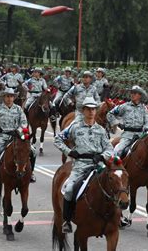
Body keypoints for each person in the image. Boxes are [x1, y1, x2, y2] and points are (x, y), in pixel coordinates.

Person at [54, 97, 114, 233]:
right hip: (80, 165)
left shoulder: (101, 130)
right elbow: (58, 139)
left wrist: (102, 156)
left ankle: (117, 216)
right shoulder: (74, 126)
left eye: (93, 109)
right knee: (69, 190)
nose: (91, 112)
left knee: (116, 184)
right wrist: (69, 151)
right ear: (83, 110)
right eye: (88, 109)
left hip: (98, 165)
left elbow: (110, 149)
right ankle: (67, 221)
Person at [0, 88, 36, 183]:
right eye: (7, 96)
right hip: (2, 136)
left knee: (33, 151)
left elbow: (24, 122)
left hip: (17, 136)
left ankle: (31, 173)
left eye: (11, 96)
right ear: (3, 97)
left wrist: (19, 130)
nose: (9, 98)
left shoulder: (18, 109)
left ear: (14, 98)